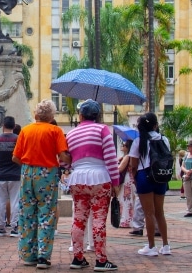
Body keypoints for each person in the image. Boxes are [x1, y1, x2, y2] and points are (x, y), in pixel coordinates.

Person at [12, 99, 70, 269]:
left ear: (36, 114)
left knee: (27, 213)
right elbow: (63, 155)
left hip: (27, 173)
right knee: (46, 213)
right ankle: (43, 256)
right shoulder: (55, 130)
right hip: (47, 174)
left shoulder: (26, 130)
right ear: (52, 116)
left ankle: (28, 254)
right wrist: (71, 159)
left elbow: (15, 157)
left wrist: (28, 164)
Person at [65, 100, 120, 271]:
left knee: (79, 219)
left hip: (78, 178)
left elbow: (66, 161)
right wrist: (116, 182)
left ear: (81, 115)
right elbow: (111, 158)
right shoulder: (102, 129)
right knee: (99, 220)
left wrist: (69, 170)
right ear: (97, 115)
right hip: (99, 177)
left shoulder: (71, 134)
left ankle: (77, 257)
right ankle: (101, 260)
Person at [128, 112, 170, 256]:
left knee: (148, 213)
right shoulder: (164, 139)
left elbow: (133, 165)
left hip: (144, 176)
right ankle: (165, 245)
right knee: (160, 212)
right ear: (155, 125)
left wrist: (134, 178)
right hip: (160, 177)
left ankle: (151, 246)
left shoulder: (138, 141)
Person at [0, 116, 21, 237]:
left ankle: (0, 227)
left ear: (3, 126)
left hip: (0, 174)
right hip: (15, 174)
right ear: (14, 127)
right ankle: (15, 227)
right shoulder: (18, 139)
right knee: (15, 201)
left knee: (0, 201)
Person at [118, 140, 136, 227]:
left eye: (124, 145)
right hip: (132, 179)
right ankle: (131, 219)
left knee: (125, 199)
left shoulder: (127, 157)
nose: (123, 147)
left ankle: (125, 220)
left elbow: (120, 169)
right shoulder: (133, 156)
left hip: (127, 179)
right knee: (131, 200)